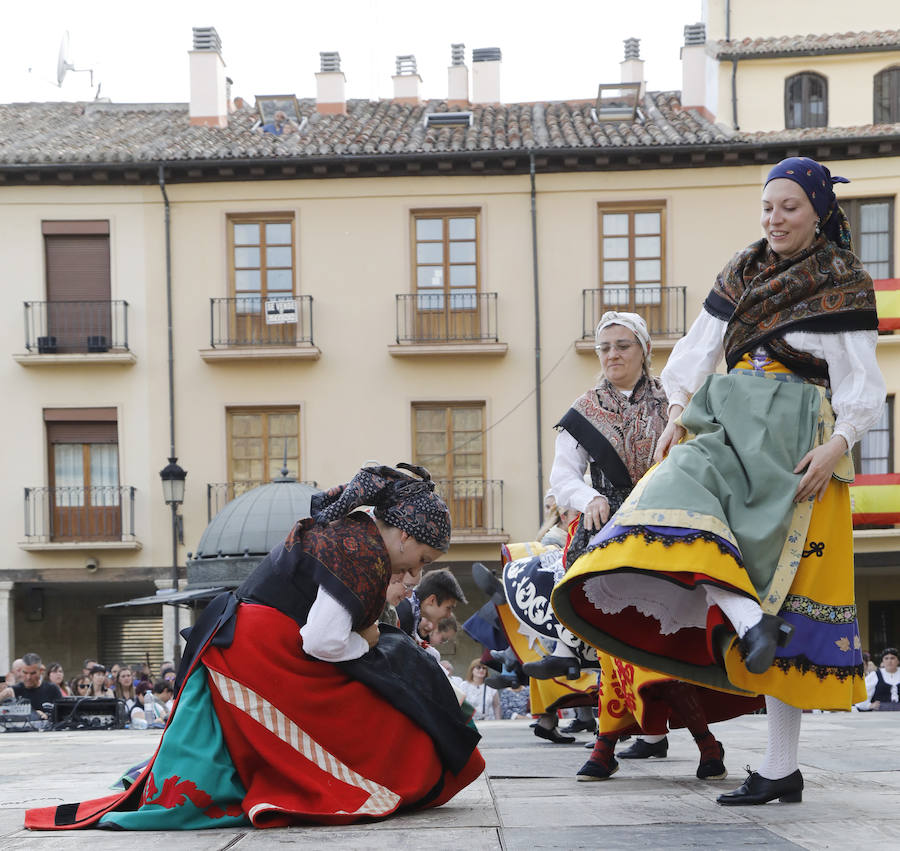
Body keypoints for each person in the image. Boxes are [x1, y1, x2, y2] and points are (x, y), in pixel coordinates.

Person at [554, 157, 885, 805]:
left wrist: (839, 446)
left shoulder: (843, 278)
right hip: (727, 419)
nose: (774, 218)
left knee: (786, 598)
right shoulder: (741, 269)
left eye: (789, 206)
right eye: (768, 206)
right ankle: (744, 620)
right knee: (679, 510)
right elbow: (697, 350)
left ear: (818, 210)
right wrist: (677, 411)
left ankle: (779, 766)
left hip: (798, 437)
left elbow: (862, 383)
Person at [26, 463, 483, 832]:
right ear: (403, 535)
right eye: (423, 559)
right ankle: (399, 773)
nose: (419, 572)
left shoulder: (356, 534)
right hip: (258, 651)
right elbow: (322, 641)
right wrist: (365, 643)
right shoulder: (362, 551)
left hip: (248, 641)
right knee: (365, 713)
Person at [395, 567, 467, 642]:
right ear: (431, 600)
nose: (448, 615)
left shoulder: (413, 615)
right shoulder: (403, 614)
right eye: (448, 608)